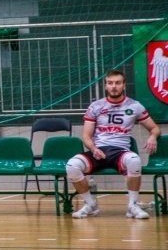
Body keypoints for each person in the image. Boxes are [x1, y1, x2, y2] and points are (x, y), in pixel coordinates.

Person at [67, 69, 161, 219]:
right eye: (110, 83)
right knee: (71, 166)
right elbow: (86, 136)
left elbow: (154, 128)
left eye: (118, 83)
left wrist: (153, 137)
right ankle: (91, 205)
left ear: (124, 85)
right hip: (98, 151)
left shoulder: (135, 106)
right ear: (105, 86)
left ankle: (132, 206)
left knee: (134, 160)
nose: (114, 86)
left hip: (120, 151)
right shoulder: (96, 106)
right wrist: (93, 148)